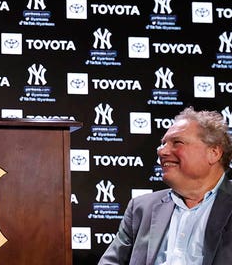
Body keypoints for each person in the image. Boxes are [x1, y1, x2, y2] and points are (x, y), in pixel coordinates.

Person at [98, 107, 232, 265]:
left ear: (214, 152)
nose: (161, 151)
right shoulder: (141, 208)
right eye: (163, 144)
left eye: (177, 143)